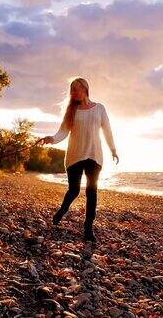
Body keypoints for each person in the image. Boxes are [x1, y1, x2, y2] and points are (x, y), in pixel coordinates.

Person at [38, 77, 119, 243]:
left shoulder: (99, 108)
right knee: (74, 190)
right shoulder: (72, 111)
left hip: (94, 155)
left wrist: (113, 149)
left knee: (92, 192)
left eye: (76, 88)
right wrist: (51, 139)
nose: (73, 92)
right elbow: (62, 132)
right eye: (72, 89)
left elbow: (107, 130)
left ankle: (88, 229)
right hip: (75, 155)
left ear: (85, 88)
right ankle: (62, 210)